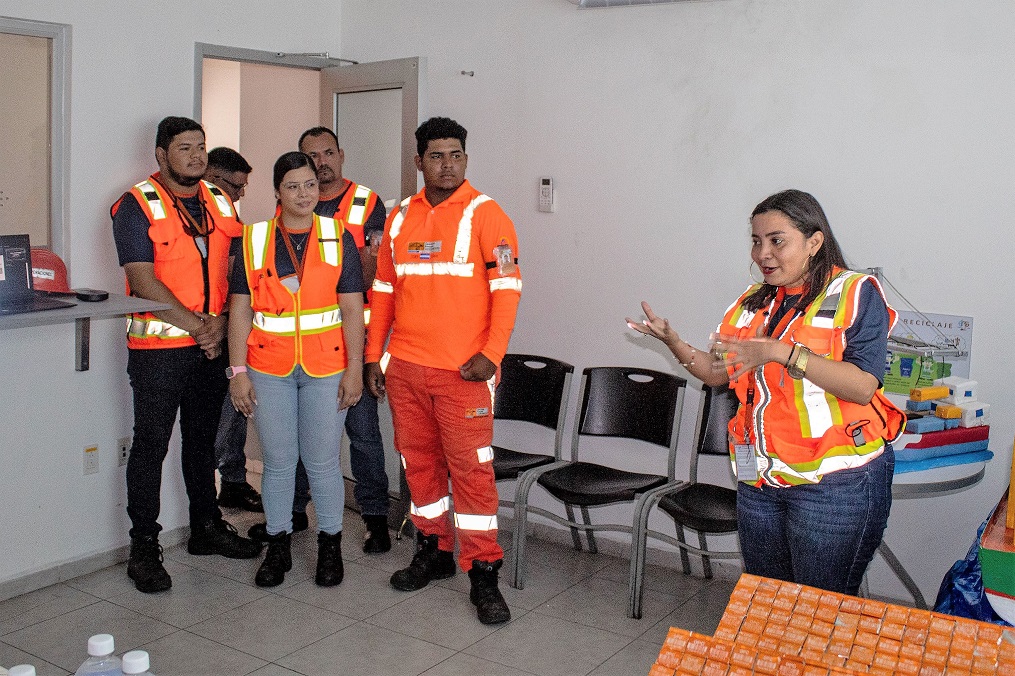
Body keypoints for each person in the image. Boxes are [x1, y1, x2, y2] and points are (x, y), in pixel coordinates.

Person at [626, 189, 906, 596]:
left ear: (814, 241)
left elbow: (863, 386)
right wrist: (673, 342)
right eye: (756, 242)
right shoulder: (751, 302)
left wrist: (782, 352)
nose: (763, 254)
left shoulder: (854, 292)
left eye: (777, 240)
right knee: (770, 603)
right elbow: (718, 374)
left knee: (818, 610)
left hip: (835, 484)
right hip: (760, 479)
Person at [365, 117, 522, 624]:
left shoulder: (487, 214)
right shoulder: (400, 216)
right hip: (407, 368)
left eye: (456, 155)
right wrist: (374, 356)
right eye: (436, 156)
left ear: (466, 160)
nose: (447, 164)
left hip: (464, 375)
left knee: (472, 476)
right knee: (419, 466)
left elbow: (507, 291)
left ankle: (484, 574)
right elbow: (384, 292)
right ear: (419, 162)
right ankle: (432, 550)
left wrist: (492, 354)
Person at [111, 116, 262, 594]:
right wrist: (201, 326)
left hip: (212, 346)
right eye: (184, 148)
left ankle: (205, 527)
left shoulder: (219, 200)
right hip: (160, 350)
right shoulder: (135, 205)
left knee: (202, 443)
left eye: (201, 147)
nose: (196, 156)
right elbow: (141, 278)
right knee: (151, 446)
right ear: (161, 154)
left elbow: (238, 267)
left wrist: (221, 325)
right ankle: (144, 545)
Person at [246, 128, 392, 553]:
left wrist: (364, 357)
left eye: (328, 154)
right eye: (313, 157)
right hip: (285, 355)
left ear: (340, 156)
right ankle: (291, 515)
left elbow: (374, 273)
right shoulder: (269, 230)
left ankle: (375, 517)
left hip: (349, 346)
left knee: (361, 435)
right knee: (292, 446)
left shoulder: (364, 204)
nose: (322, 163)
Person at [227, 151, 365, 588]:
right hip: (268, 367)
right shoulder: (253, 239)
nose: (303, 194)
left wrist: (355, 369)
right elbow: (239, 311)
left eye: (310, 185)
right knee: (280, 463)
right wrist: (238, 372)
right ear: (276, 192)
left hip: (327, 367)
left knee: (323, 463)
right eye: (292, 186)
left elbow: (352, 308)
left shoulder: (338, 235)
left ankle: (330, 546)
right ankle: (278, 545)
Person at [203, 147, 262, 513]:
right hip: (200, 332)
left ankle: (234, 483)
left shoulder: (231, 223)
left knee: (235, 410)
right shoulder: (193, 219)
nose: (240, 195)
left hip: (231, 330)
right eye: (236, 187)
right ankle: (204, 496)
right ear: (212, 176)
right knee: (217, 419)